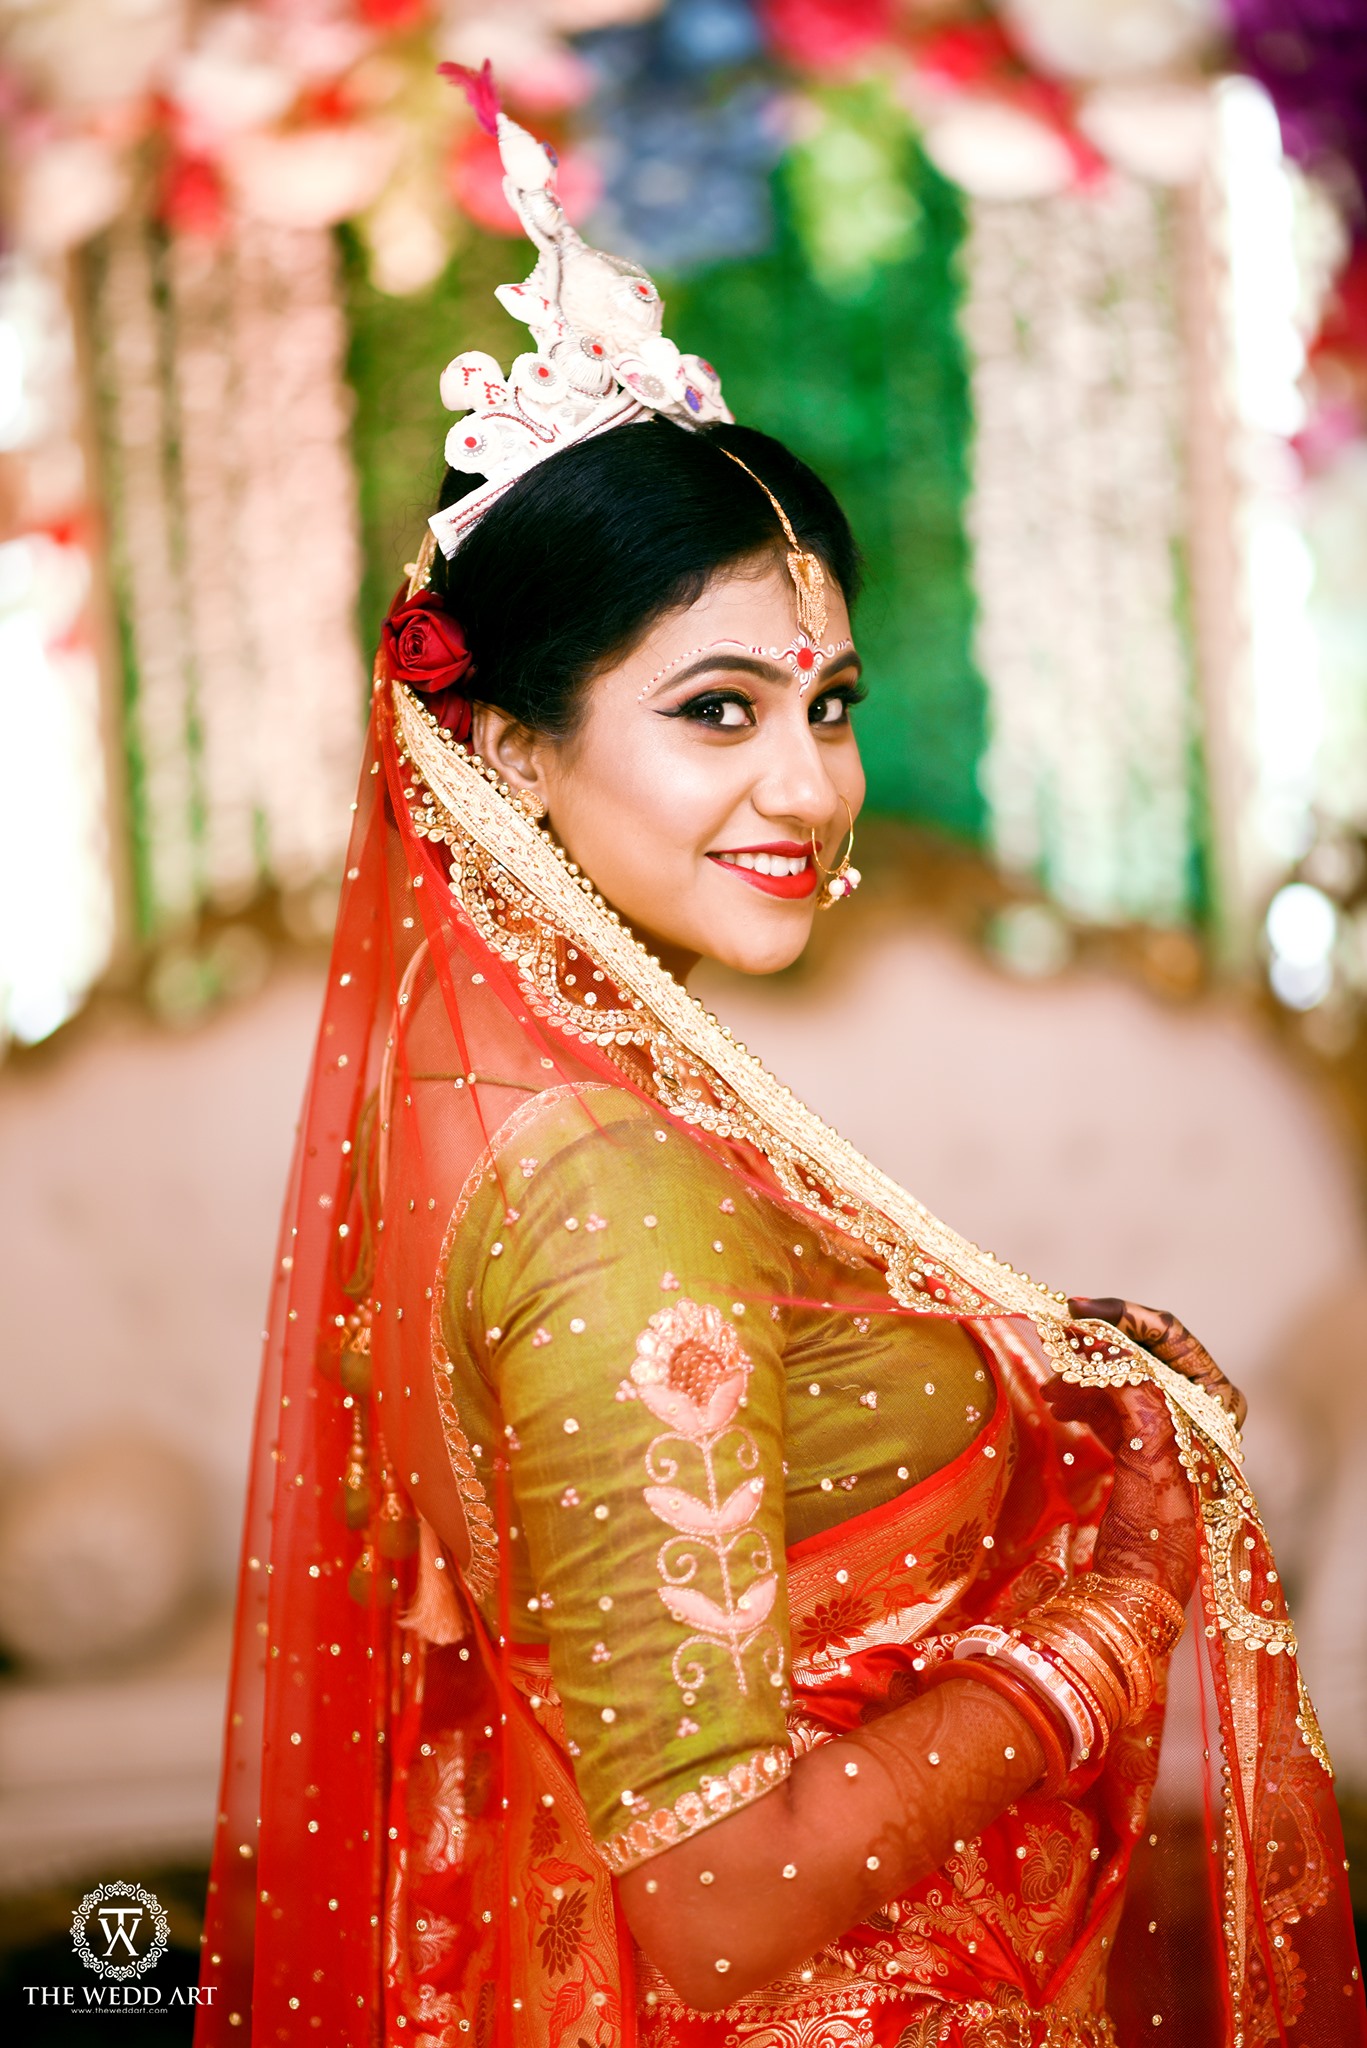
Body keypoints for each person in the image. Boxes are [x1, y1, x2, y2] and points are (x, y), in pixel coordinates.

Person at [198, 76, 1365, 2048]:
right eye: (715, 707)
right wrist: (1117, 1603)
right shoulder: (605, 1188)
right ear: (508, 756)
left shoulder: (513, 1100)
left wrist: (1012, 1378)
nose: (810, 782)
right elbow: (724, 1908)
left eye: (825, 702)